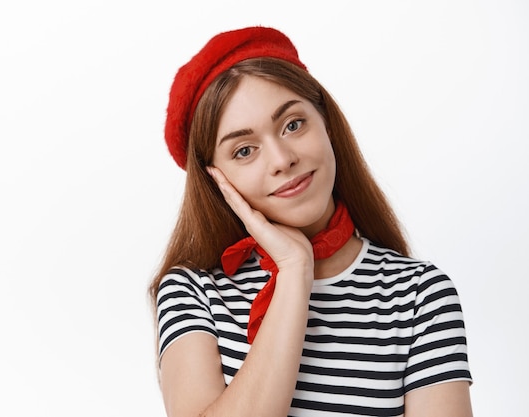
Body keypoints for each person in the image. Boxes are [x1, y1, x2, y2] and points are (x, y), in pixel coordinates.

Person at [149, 26, 473, 417]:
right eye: (245, 150)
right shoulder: (193, 290)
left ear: (327, 123)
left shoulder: (420, 295)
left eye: (293, 125)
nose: (282, 159)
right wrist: (294, 268)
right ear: (216, 179)